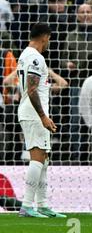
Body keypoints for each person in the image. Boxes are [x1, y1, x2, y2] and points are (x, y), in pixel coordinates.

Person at [16, 23, 66, 218]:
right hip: (34, 114)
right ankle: (27, 206)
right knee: (37, 160)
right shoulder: (36, 58)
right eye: (49, 39)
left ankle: (43, 205)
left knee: (43, 160)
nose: (48, 43)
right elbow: (32, 89)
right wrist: (43, 116)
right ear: (45, 37)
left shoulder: (25, 55)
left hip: (30, 113)